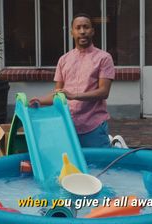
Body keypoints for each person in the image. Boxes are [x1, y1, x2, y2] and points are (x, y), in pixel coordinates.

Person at [29, 13, 115, 148]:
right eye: (78, 28)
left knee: (99, 166)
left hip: (93, 126)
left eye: (86, 27)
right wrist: (40, 100)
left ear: (92, 31)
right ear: (72, 32)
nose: (82, 31)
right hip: (67, 126)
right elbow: (59, 94)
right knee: (69, 167)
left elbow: (104, 92)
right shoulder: (64, 60)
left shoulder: (104, 58)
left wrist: (74, 95)